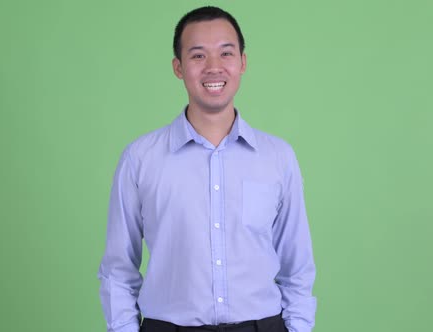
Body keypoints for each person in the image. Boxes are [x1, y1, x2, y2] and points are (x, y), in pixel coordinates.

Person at [97, 6, 317, 332]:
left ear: (242, 62)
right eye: (198, 56)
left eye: (226, 53)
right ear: (178, 67)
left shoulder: (278, 157)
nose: (213, 67)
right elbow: (118, 269)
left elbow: (296, 266)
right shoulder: (140, 159)